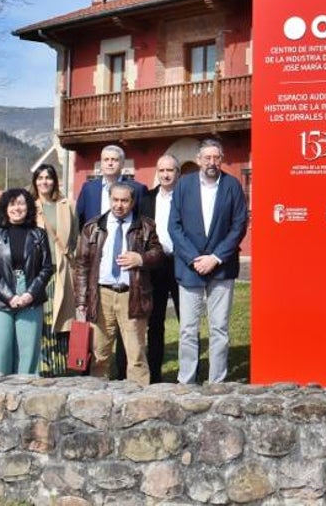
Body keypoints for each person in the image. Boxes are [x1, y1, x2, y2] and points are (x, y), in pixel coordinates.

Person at [169, 138, 249, 384]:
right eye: (207, 158)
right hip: (189, 268)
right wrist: (195, 258)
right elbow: (175, 226)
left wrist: (215, 258)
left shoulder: (232, 186)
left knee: (219, 329)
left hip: (221, 268)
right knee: (188, 330)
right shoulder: (183, 185)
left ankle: (217, 382)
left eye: (216, 158)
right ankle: (187, 381)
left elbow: (239, 225)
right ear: (199, 159)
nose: (212, 162)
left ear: (221, 160)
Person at [73, 181, 163, 384]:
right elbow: (82, 265)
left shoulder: (146, 226)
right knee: (99, 353)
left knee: (136, 355)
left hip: (132, 295)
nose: (119, 205)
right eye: (115, 200)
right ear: (109, 199)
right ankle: (96, 403)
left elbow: (158, 254)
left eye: (124, 201)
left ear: (132, 202)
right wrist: (81, 300)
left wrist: (141, 259)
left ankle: (139, 403)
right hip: (101, 295)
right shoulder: (93, 227)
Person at [0, 188, 54, 375]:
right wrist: (9, 297)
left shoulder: (39, 234)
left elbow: (46, 268)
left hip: (30, 296)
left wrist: (30, 294)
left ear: (28, 207)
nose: (17, 208)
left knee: (28, 354)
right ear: (5, 207)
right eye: (12, 204)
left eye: (21, 203)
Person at [137, 154, 181, 382]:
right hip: (155, 266)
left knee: (187, 321)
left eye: (170, 170)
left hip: (181, 265)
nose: (165, 175)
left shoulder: (185, 198)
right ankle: (154, 375)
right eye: (162, 170)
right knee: (155, 322)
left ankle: (187, 374)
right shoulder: (146, 199)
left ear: (177, 173)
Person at [32, 163, 79, 377]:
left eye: (48, 177)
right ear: (35, 181)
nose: (44, 181)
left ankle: (63, 367)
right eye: (40, 178)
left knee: (62, 320)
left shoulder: (65, 205)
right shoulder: (30, 207)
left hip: (61, 269)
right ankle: (43, 368)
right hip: (39, 271)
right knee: (43, 319)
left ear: (54, 181)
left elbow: (75, 238)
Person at [75, 144, 146, 226]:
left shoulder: (138, 189)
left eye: (114, 160)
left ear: (122, 164)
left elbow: (144, 221)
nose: (110, 163)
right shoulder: (88, 189)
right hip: (95, 237)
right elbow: (79, 219)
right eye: (106, 160)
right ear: (101, 163)